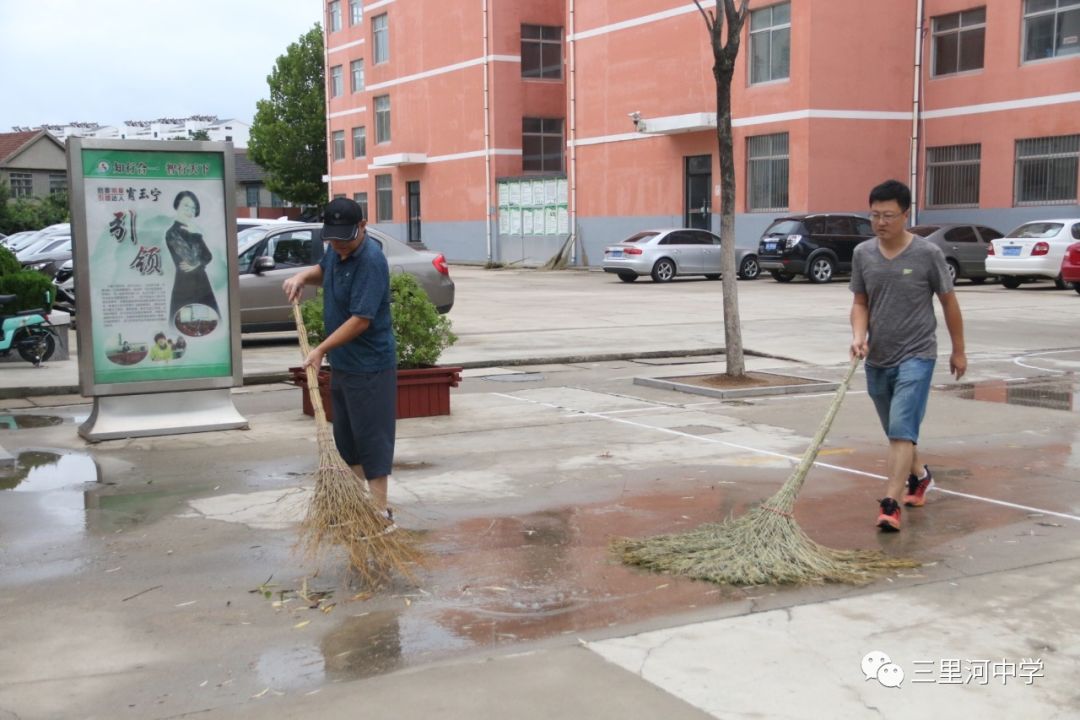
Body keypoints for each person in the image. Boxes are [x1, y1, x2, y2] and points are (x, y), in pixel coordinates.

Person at [849, 179, 966, 531]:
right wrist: (858, 337)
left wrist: (959, 350)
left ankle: (891, 503)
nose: (880, 222)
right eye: (874, 215)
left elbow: (949, 302)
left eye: (888, 215)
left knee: (901, 430)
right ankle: (920, 475)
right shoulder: (863, 254)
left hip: (917, 354)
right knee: (898, 431)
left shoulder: (927, 254)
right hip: (878, 357)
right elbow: (860, 302)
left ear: (904, 215)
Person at [283, 197, 397, 531]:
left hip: (371, 365)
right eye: (331, 239)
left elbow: (361, 319)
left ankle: (380, 514)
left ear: (362, 227)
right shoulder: (336, 250)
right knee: (348, 440)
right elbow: (324, 269)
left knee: (373, 440)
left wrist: (320, 350)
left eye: (343, 239)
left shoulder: (371, 262)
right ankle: (355, 507)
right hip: (344, 364)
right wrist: (303, 277)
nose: (337, 246)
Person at [165, 191, 219, 325]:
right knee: (184, 325)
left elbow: (208, 256)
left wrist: (198, 262)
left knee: (210, 323)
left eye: (193, 208)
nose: (190, 211)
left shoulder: (193, 230)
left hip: (203, 285)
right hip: (185, 287)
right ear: (177, 206)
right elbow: (191, 259)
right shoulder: (172, 233)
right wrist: (196, 236)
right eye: (186, 206)